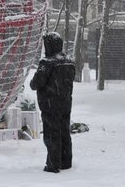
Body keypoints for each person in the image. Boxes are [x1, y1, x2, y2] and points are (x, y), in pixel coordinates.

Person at [30, 32, 75, 173]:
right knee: (64, 132)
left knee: (52, 134)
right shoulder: (69, 61)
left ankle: (53, 164)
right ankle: (66, 161)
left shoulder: (47, 63)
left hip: (50, 105)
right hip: (66, 103)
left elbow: (35, 83)